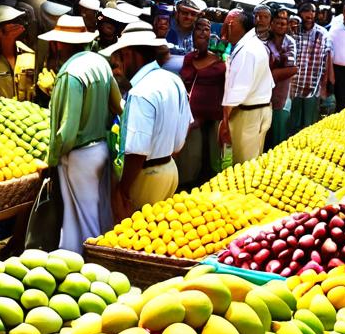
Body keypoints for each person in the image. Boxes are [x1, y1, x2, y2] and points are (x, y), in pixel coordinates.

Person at [47, 33, 123, 253]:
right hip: (100, 148)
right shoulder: (99, 62)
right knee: (95, 213)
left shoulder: (70, 74)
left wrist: (52, 158)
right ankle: (76, 258)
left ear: (59, 44)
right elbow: (118, 106)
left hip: (79, 155)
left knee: (83, 217)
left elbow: (67, 131)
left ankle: (95, 261)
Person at [102, 29, 189, 218]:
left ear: (129, 54)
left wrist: (122, 190)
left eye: (119, 57)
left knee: (134, 240)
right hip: (170, 169)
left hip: (146, 176)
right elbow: (185, 127)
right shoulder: (173, 80)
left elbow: (137, 151)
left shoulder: (141, 92)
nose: (118, 64)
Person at [178, 18, 226, 186]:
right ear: (192, 34)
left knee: (213, 161)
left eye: (206, 29)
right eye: (198, 29)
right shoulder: (188, 58)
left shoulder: (221, 61)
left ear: (211, 34)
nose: (202, 33)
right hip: (192, 119)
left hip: (214, 119)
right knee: (190, 161)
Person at [220, 19, 273, 165]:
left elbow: (236, 94)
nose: (223, 26)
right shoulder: (254, 45)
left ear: (233, 25)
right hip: (259, 110)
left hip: (248, 116)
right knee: (251, 164)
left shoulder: (247, 50)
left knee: (243, 167)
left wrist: (224, 124)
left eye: (227, 23)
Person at [289, 3, 332, 135]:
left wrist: (324, 84)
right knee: (292, 122)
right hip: (294, 85)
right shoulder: (295, 31)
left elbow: (327, 58)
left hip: (313, 85)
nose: (309, 15)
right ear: (300, 14)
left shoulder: (322, 33)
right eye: (306, 11)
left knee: (309, 124)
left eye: (312, 12)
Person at [264, 6, 297, 148]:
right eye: (277, 22)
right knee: (265, 134)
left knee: (279, 135)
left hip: (282, 94)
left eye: (283, 23)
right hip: (264, 94)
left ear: (287, 25)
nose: (279, 26)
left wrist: (274, 69)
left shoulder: (290, 42)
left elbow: (290, 67)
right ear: (272, 24)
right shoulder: (265, 39)